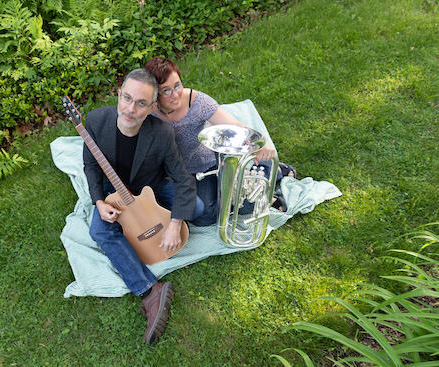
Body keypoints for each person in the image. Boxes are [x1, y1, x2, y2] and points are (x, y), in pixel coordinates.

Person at [83, 68, 201, 345]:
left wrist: (174, 224)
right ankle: (150, 290)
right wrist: (99, 201)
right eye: (126, 98)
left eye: (140, 103)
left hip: (153, 188)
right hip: (115, 194)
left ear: (151, 108)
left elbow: (182, 178)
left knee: (195, 208)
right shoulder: (96, 121)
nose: (129, 109)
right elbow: (90, 165)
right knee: (99, 232)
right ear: (119, 94)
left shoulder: (161, 133)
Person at [144, 57, 297, 226]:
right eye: (166, 91)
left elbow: (235, 125)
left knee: (205, 216)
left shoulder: (197, 102)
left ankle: (272, 174)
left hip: (205, 166)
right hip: (177, 174)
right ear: (154, 94)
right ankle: (252, 190)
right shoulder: (148, 111)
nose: (175, 95)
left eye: (177, 85)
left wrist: (261, 142)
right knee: (195, 215)